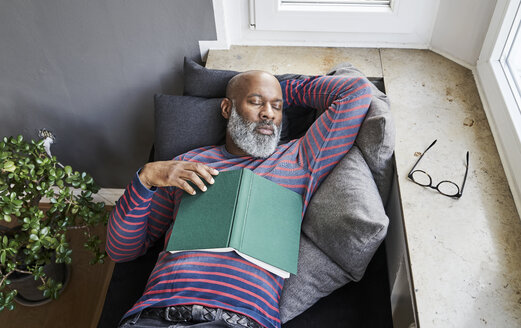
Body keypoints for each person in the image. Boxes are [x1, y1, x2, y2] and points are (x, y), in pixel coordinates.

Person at [107, 70, 372, 328]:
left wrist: (283, 88)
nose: (268, 113)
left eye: (277, 107)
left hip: (242, 319)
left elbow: (356, 92)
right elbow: (122, 250)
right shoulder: (186, 164)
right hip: (159, 314)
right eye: (256, 102)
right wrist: (146, 178)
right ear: (227, 109)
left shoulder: (300, 159)